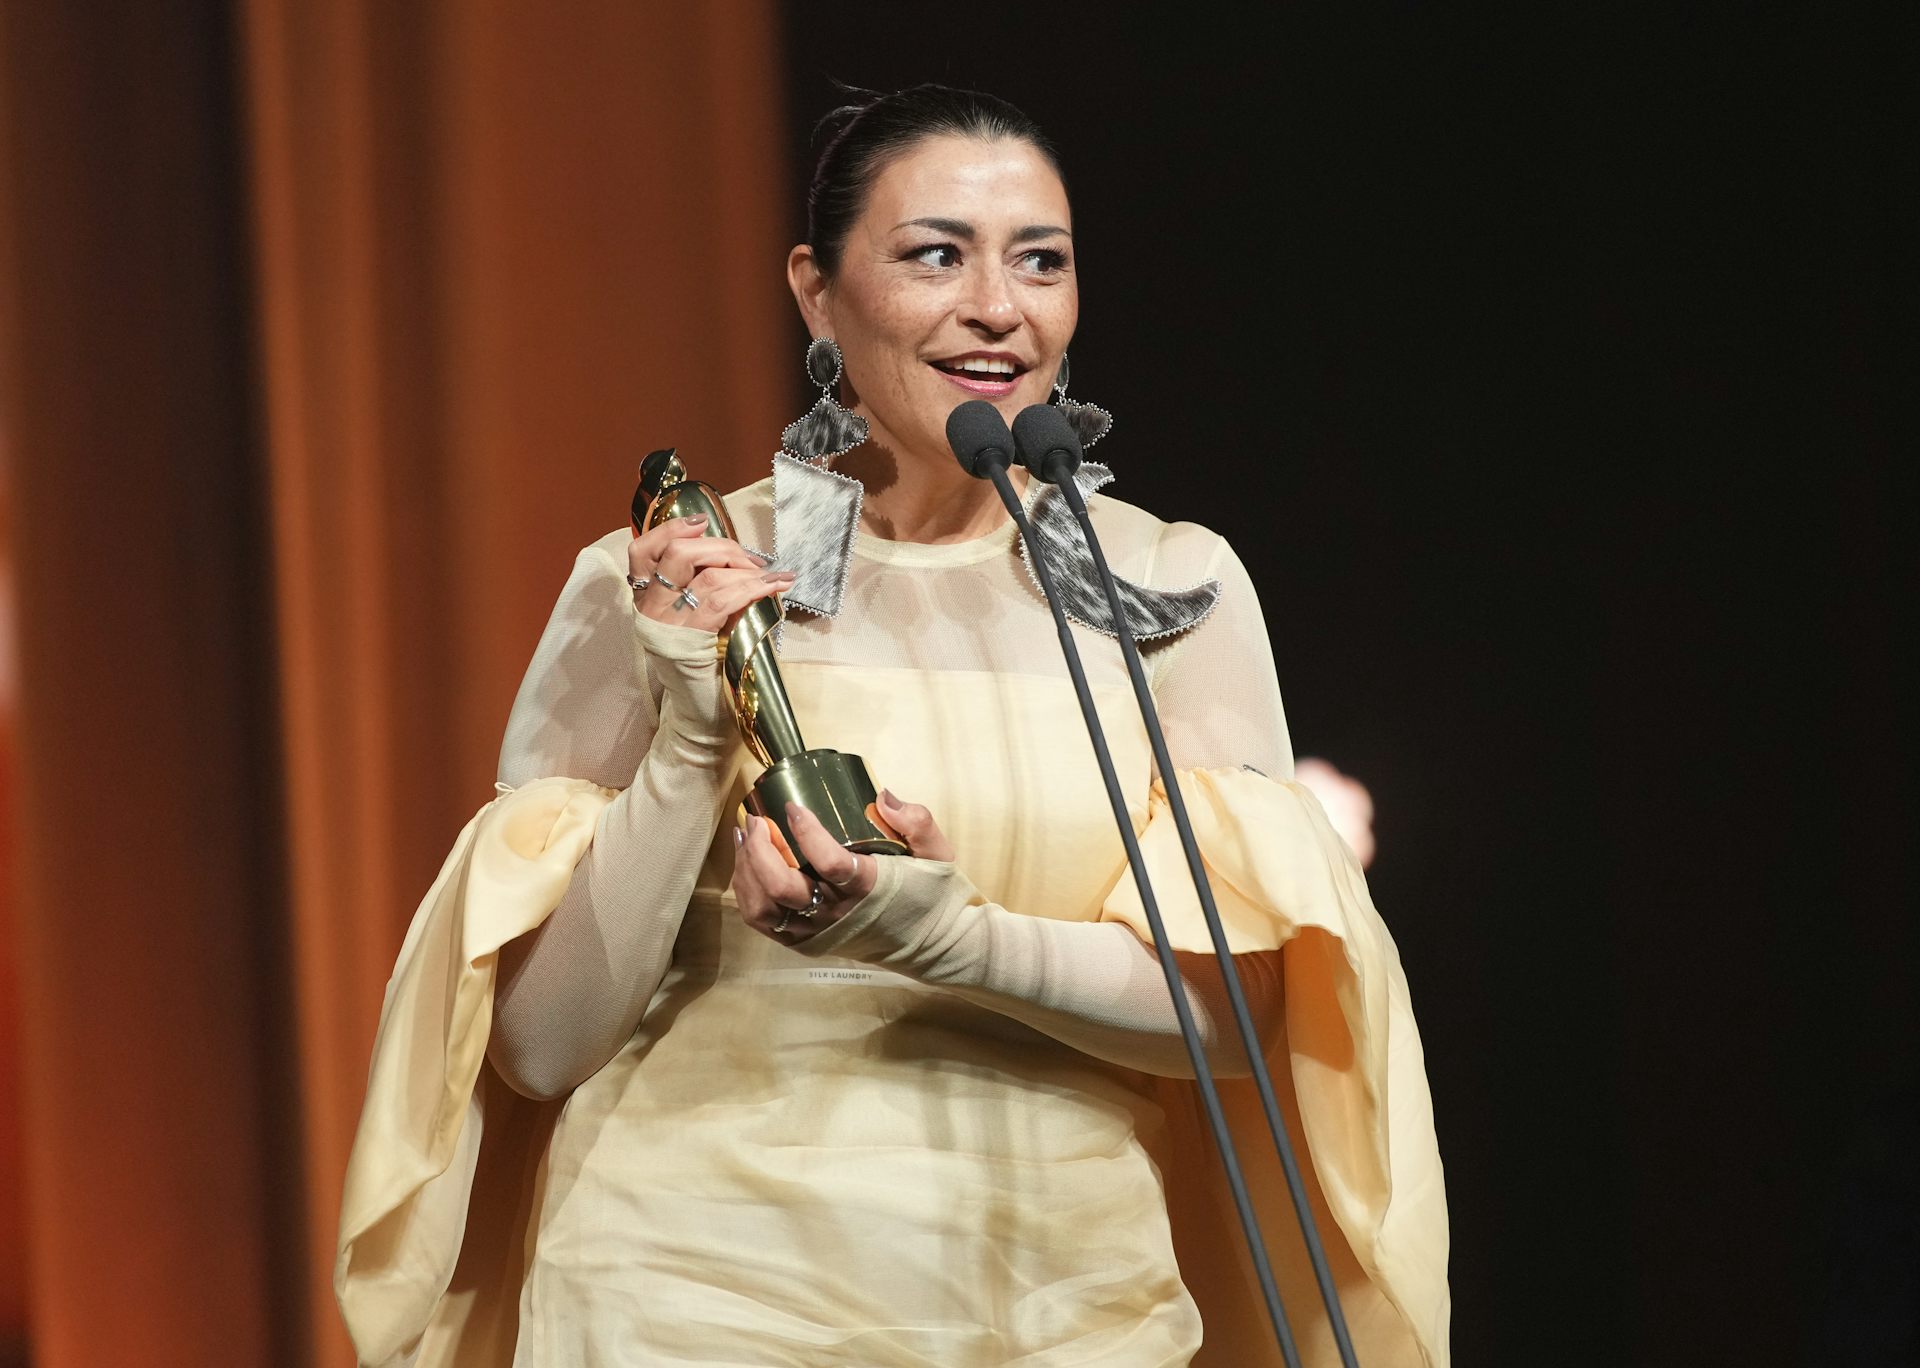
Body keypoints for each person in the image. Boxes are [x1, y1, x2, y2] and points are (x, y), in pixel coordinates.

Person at [335, 84, 1448, 1367]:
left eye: (1041, 260)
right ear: (817, 293)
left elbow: (1246, 1021)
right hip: (687, 1298)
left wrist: (952, 939)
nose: (999, 307)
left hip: (1068, 1307)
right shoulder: (679, 575)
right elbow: (538, 1046)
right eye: (935, 256)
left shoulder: (1166, 585)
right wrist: (695, 741)